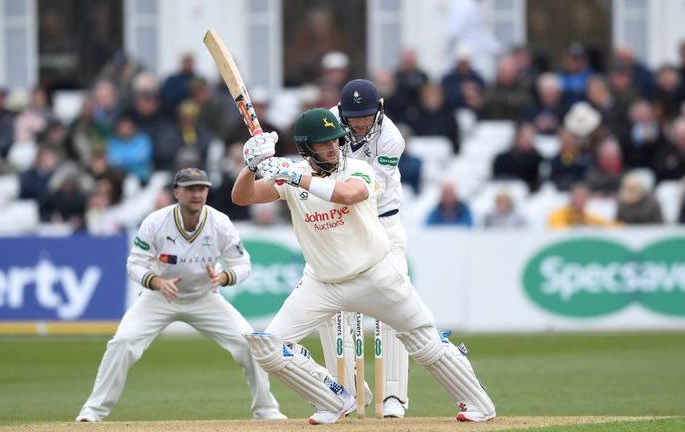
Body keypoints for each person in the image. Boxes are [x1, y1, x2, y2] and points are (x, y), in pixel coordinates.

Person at [231, 108, 496, 425]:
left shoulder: (357, 168)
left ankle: (479, 404)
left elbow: (349, 194)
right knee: (268, 348)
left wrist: (294, 175)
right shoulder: (289, 177)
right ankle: (334, 400)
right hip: (322, 284)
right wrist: (250, 167)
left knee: (423, 341)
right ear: (305, 147)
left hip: (376, 276)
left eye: (336, 141)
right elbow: (242, 198)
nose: (333, 148)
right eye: (323, 143)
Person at [76, 168, 286, 422]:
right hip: (160, 297)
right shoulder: (155, 222)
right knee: (123, 341)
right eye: (190, 189)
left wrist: (224, 277)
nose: (197, 194)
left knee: (249, 344)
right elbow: (135, 264)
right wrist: (156, 282)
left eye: (202, 188)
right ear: (177, 192)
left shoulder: (219, 222)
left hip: (205, 296)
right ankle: (92, 413)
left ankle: (266, 411)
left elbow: (243, 265)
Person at [316, 79, 411, 418]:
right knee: (325, 309)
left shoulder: (391, 138)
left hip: (382, 220)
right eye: (352, 117)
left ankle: (394, 397)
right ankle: (349, 391)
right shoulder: (327, 122)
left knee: (396, 303)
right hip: (340, 223)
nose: (358, 124)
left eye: (365, 117)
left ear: (379, 110)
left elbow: (366, 188)